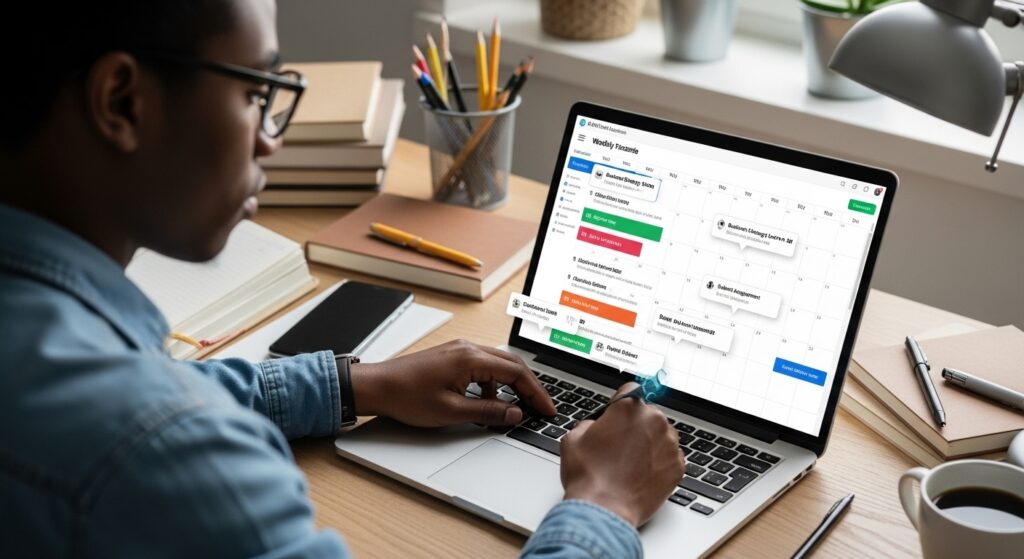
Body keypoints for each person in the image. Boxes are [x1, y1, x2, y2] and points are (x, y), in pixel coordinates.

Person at [0, 1, 685, 557]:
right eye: (254, 93)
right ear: (121, 102)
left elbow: (132, 397)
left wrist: (353, 384)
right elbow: (151, 424)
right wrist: (603, 507)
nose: (271, 138)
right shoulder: (185, 461)